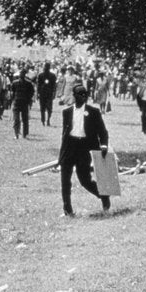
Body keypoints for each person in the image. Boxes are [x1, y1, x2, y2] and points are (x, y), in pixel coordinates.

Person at [59, 84, 111, 216]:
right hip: (69, 147)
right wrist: (62, 155)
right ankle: (67, 210)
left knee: (84, 180)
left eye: (85, 94)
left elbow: (103, 132)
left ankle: (103, 196)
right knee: (65, 181)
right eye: (80, 94)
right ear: (74, 96)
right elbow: (64, 134)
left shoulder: (93, 112)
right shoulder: (67, 112)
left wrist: (103, 145)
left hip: (84, 148)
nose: (83, 97)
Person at [9, 70, 35, 140]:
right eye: (21, 74)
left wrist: (28, 99)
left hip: (24, 103)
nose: (21, 76)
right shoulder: (15, 83)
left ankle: (25, 134)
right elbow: (12, 92)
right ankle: (16, 134)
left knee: (25, 120)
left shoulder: (29, 83)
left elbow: (32, 92)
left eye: (22, 74)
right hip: (17, 102)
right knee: (16, 119)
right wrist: (13, 99)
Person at [36, 62, 57, 126]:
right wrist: (38, 93)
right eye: (45, 67)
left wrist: (54, 93)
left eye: (46, 67)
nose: (45, 68)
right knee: (42, 108)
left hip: (49, 93)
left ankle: (48, 120)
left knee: (49, 108)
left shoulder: (53, 76)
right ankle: (43, 120)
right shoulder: (40, 75)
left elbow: (54, 86)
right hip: (43, 93)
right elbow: (38, 85)